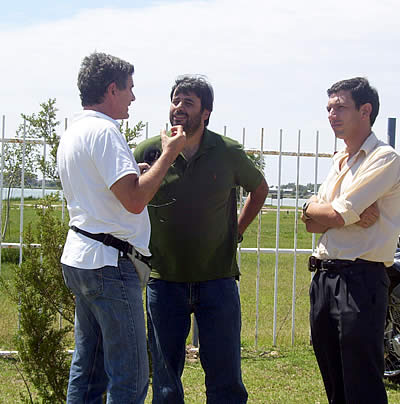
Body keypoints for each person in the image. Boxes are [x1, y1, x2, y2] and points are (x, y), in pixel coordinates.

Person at [57, 52, 186, 404]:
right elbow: (134, 200)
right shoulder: (105, 132)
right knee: (129, 375)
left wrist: (138, 171)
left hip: (83, 256)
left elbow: (106, 190)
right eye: (129, 88)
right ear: (112, 89)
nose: (133, 96)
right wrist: (169, 154)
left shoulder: (74, 132)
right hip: (110, 264)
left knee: (88, 369)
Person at [134, 75, 269, 403]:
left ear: (206, 113)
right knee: (165, 381)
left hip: (217, 280)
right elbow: (129, 198)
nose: (179, 108)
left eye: (189, 102)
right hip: (164, 280)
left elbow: (259, 189)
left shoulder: (228, 152)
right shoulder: (150, 150)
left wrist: (237, 230)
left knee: (226, 379)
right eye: (175, 101)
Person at [302, 77, 400, 404]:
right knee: (334, 380)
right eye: (329, 108)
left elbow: (335, 216)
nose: (331, 115)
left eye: (340, 107)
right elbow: (312, 224)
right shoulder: (339, 161)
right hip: (324, 278)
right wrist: (311, 208)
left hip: (360, 279)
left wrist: (330, 212)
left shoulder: (384, 159)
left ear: (365, 110)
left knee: (361, 383)